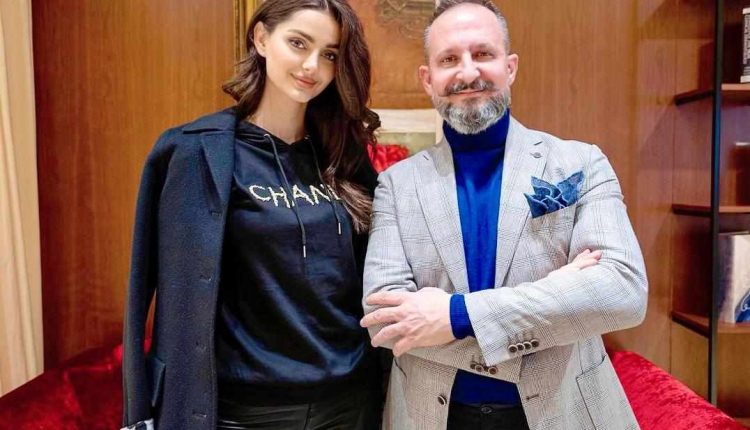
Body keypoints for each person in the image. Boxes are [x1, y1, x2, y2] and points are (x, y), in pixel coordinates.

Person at [360, 1, 648, 429]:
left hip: (564, 411)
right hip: (431, 415)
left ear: (510, 67)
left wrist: (455, 316)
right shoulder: (395, 185)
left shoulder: (581, 163)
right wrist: (559, 298)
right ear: (428, 78)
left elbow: (622, 293)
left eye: (483, 53)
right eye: (448, 59)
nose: (467, 72)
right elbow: (386, 321)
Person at [121, 1, 383, 429]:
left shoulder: (344, 158)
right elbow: (144, 287)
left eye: (330, 54)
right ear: (261, 38)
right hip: (244, 410)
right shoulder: (193, 151)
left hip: (348, 400)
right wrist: (138, 414)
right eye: (298, 43)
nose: (312, 65)